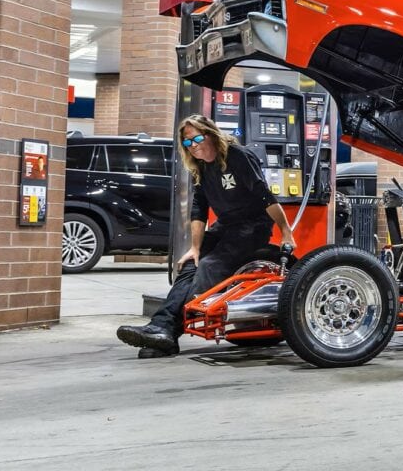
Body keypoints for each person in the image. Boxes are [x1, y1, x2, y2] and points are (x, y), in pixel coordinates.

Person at [116, 114, 296, 358]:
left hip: (253, 226)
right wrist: (195, 247)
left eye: (197, 139)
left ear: (211, 134)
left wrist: (285, 231)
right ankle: (162, 328)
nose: (193, 146)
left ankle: (168, 329)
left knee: (210, 266)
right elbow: (199, 209)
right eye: (188, 142)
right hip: (226, 225)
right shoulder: (199, 166)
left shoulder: (237, 156)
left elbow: (264, 195)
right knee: (191, 263)